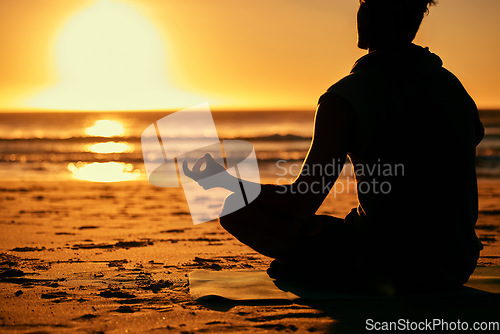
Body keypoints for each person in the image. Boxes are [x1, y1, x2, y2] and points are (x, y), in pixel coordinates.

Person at [184, 0, 484, 294]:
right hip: (456, 263)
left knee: (235, 211)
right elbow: (471, 142)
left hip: (392, 263)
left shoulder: (345, 97)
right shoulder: (452, 87)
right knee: (339, 227)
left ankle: (327, 270)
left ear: (366, 14)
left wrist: (222, 181)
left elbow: (299, 203)